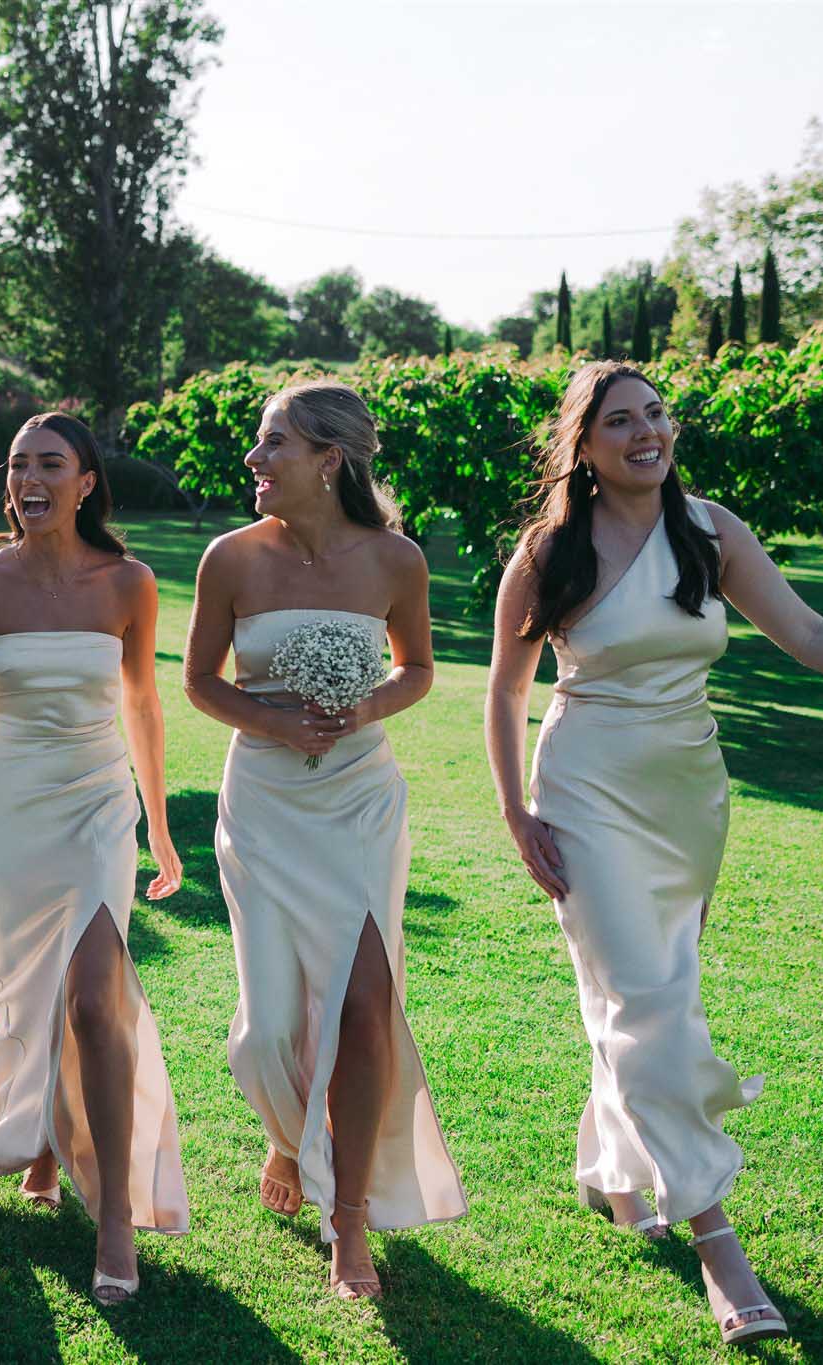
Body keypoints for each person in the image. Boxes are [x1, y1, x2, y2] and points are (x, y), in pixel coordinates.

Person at [485, 361, 823, 1345]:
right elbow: (502, 690)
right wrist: (512, 813)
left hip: (686, 803)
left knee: (642, 997)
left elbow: (802, 631)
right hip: (583, 795)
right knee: (651, 1005)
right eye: (618, 421)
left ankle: (606, 1166)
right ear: (580, 446)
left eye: (655, 415)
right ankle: (717, 1249)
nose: (644, 433)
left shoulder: (708, 532)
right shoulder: (549, 551)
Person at [0, 412, 186, 1306]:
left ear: (87, 480)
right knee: (30, 995)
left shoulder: (129, 582)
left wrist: (158, 828)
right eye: (18, 464)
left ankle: (117, 1216)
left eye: (49, 463)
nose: (29, 478)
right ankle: (45, 1144)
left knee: (97, 999)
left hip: (96, 802)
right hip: (8, 807)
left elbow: (143, 709)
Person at [181, 380, 465, 1300]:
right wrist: (272, 724)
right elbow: (200, 685)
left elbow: (418, 669)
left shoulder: (396, 560)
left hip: (360, 799)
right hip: (264, 803)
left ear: (328, 460)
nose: (254, 463)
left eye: (272, 446)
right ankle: (285, 1133)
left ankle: (349, 1220)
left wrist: (364, 705)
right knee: (267, 1030)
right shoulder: (229, 559)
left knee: (365, 1000)